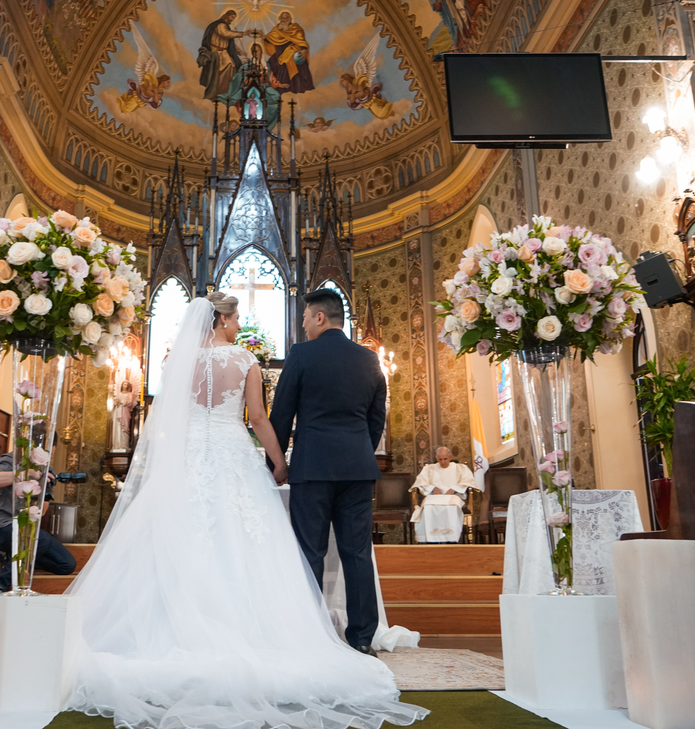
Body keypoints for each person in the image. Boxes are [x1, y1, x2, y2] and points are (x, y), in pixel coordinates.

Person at [65, 292, 425, 728]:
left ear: (315, 317)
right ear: (222, 319)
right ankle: (353, 637)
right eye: (236, 317)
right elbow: (277, 418)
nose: (239, 324)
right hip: (328, 462)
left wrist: (289, 458)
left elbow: (252, 415)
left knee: (219, 539)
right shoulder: (285, 361)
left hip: (198, 458)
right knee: (348, 552)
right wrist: (288, 459)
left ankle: (193, 624)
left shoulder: (181, 361)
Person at [270, 288, 388, 654]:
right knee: (357, 553)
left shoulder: (302, 355)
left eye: (305, 318)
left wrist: (276, 464)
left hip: (313, 467)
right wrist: (357, 453)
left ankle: (311, 635)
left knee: (310, 552)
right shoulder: (370, 359)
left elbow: (282, 414)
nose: (303, 325)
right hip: (357, 468)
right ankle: (361, 638)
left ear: (320, 317)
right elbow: (376, 419)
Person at [0, 451, 76, 593]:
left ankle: (18, 559)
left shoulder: (47, 469)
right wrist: (25, 474)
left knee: (66, 564)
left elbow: (43, 510)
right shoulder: (12, 458)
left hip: (27, 528)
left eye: (52, 452)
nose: (49, 455)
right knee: (41, 539)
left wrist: (42, 492)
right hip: (3, 526)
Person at [411, 446, 476, 543]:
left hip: (453, 497)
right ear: (436, 459)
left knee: (452, 507)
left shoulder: (460, 468)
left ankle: (452, 539)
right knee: (427, 506)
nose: (443, 462)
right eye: (440, 459)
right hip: (434, 497)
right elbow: (420, 482)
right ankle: (432, 540)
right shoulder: (429, 469)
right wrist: (432, 488)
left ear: (450, 457)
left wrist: (455, 488)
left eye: (445, 459)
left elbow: (468, 481)